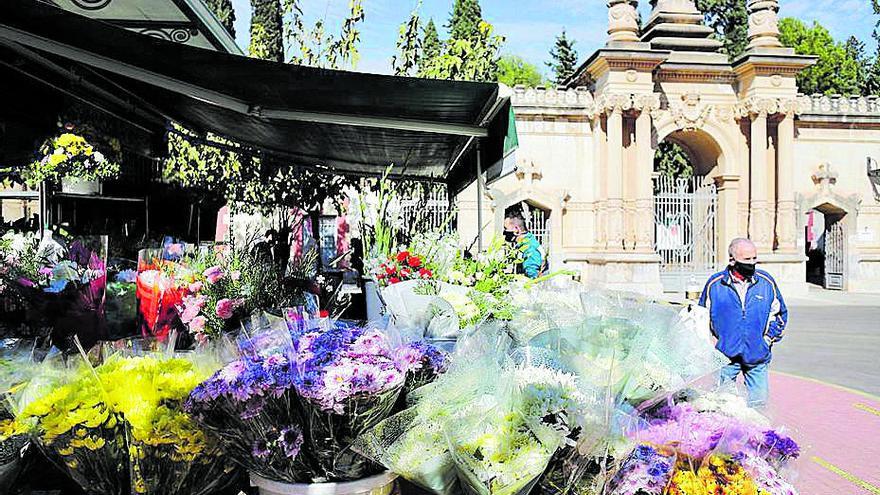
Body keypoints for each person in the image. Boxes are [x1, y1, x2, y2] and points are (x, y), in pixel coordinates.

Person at [699, 238, 788, 408]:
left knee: (759, 406)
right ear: (732, 260)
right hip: (725, 358)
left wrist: (767, 339)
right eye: (747, 260)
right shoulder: (715, 284)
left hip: (757, 357)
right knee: (721, 405)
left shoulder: (765, 282)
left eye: (754, 258)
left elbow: (780, 315)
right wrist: (712, 343)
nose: (752, 263)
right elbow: (701, 317)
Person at [503, 214, 544, 279]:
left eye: (506, 228)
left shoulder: (529, 248)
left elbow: (533, 275)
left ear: (516, 229)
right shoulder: (526, 243)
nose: (504, 232)